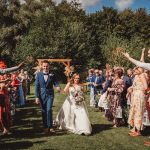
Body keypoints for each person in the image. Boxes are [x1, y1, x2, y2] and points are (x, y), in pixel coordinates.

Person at [35, 60, 61, 134]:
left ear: (49, 66)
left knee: (49, 109)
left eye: (47, 66)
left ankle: (51, 127)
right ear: (42, 67)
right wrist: (37, 97)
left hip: (50, 94)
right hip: (42, 94)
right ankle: (45, 127)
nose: (45, 67)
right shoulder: (39, 74)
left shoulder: (52, 74)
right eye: (44, 66)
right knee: (43, 110)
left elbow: (56, 82)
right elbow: (37, 86)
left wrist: (57, 86)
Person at [128, 67, 147, 137]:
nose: (134, 69)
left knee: (139, 112)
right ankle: (135, 129)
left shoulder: (142, 75)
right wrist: (131, 88)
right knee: (135, 112)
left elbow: (145, 87)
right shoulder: (137, 76)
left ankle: (138, 131)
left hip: (139, 96)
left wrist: (138, 90)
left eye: (136, 69)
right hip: (135, 95)